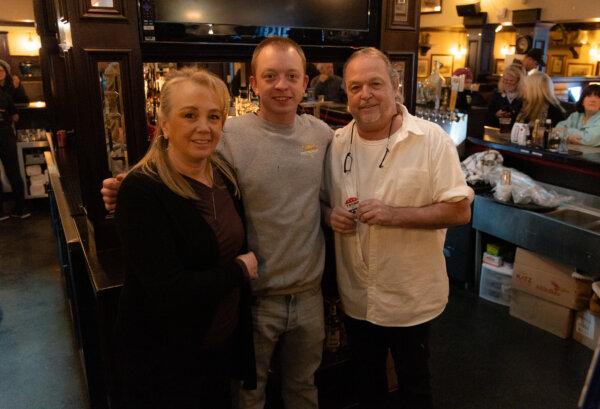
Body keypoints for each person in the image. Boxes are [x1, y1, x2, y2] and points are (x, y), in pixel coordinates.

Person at [102, 37, 333, 409]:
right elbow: (175, 156)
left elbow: (328, 191)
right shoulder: (230, 136)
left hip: (308, 294)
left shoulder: (321, 135)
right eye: (270, 75)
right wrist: (127, 182)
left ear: (305, 83)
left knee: (304, 389)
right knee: (247, 396)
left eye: (292, 76)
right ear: (254, 83)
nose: (281, 85)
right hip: (253, 299)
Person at [323, 48, 473, 409]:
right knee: (367, 383)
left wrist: (394, 215)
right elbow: (324, 200)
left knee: (414, 386)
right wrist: (330, 214)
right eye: (355, 86)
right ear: (346, 95)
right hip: (358, 294)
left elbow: (459, 211)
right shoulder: (337, 142)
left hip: (411, 297)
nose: (365, 94)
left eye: (375, 84)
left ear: (396, 87)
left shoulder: (430, 140)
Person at [113, 67, 258, 409]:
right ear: (163, 123)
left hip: (219, 347)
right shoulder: (141, 190)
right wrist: (240, 271)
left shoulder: (222, 176)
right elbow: (168, 290)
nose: (204, 127)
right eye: (189, 115)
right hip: (166, 358)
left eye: (214, 116)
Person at [0, 86, 30, 220]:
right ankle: (21, 209)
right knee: (13, 171)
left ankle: (0, 212)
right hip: (6, 136)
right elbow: (16, 117)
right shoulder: (4, 95)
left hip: (6, 135)